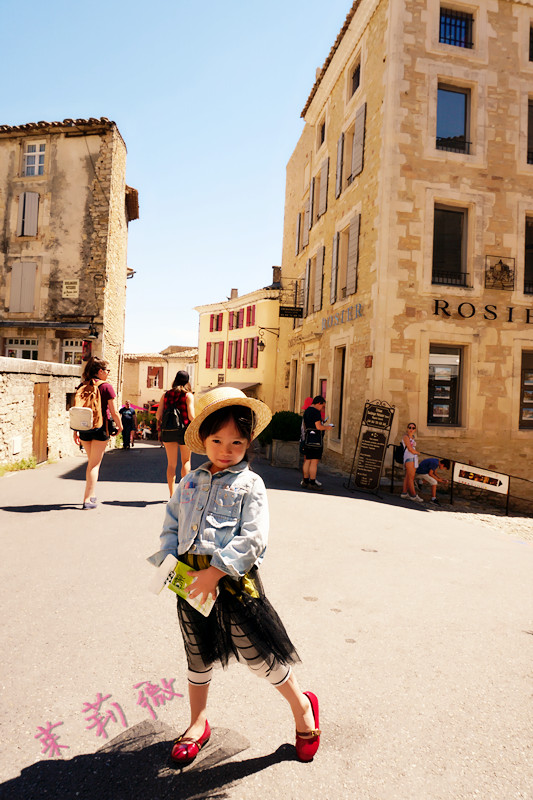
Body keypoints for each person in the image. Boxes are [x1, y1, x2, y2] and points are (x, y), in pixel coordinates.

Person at [148, 387, 320, 766]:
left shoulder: (250, 485)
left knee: (259, 655)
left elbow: (254, 538)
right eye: (217, 440)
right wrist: (170, 556)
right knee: (198, 654)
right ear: (204, 440)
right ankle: (197, 723)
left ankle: (302, 707)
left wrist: (215, 571)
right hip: (192, 582)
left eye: (237, 442)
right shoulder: (190, 481)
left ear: (248, 444)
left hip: (232, 583)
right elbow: (172, 522)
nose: (226, 449)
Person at [73, 356, 122, 509]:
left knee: (91, 463)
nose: (108, 373)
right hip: (101, 428)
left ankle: (92, 494)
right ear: (100, 371)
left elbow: (76, 411)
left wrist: (75, 431)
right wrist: (120, 426)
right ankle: (87, 500)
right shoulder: (106, 387)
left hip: (84, 428)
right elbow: (113, 412)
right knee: (94, 465)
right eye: (107, 370)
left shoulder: (82, 385)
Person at [156, 370, 195, 497]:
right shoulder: (188, 396)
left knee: (171, 464)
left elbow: (158, 415)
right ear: (187, 381)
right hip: (184, 431)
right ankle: (184, 492)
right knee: (186, 461)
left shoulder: (165, 395)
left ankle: (172, 494)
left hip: (168, 430)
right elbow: (191, 416)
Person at [300, 395, 334, 491]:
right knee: (314, 462)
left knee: (307, 460)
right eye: (323, 406)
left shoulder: (307, 411)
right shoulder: (316, 412)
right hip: (315, 440)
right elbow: (318, 426)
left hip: (307, 439)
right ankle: (312, 482)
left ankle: (305, 481)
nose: (322, 408)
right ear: (319, 403)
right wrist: (328, 427)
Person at [400, 422, 423, 503]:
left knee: (407, 476)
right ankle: (413, 495)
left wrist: (415, 453)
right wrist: (417, 453)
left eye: (413, 428)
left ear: (415, 430)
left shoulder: (413, 437)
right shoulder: (405, 437)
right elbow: (409, 448)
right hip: (409, 457)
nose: (411, 429)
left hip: (413, 457)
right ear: (407, 428)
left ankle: (404, 493)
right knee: (411, 477)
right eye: (410, 427)